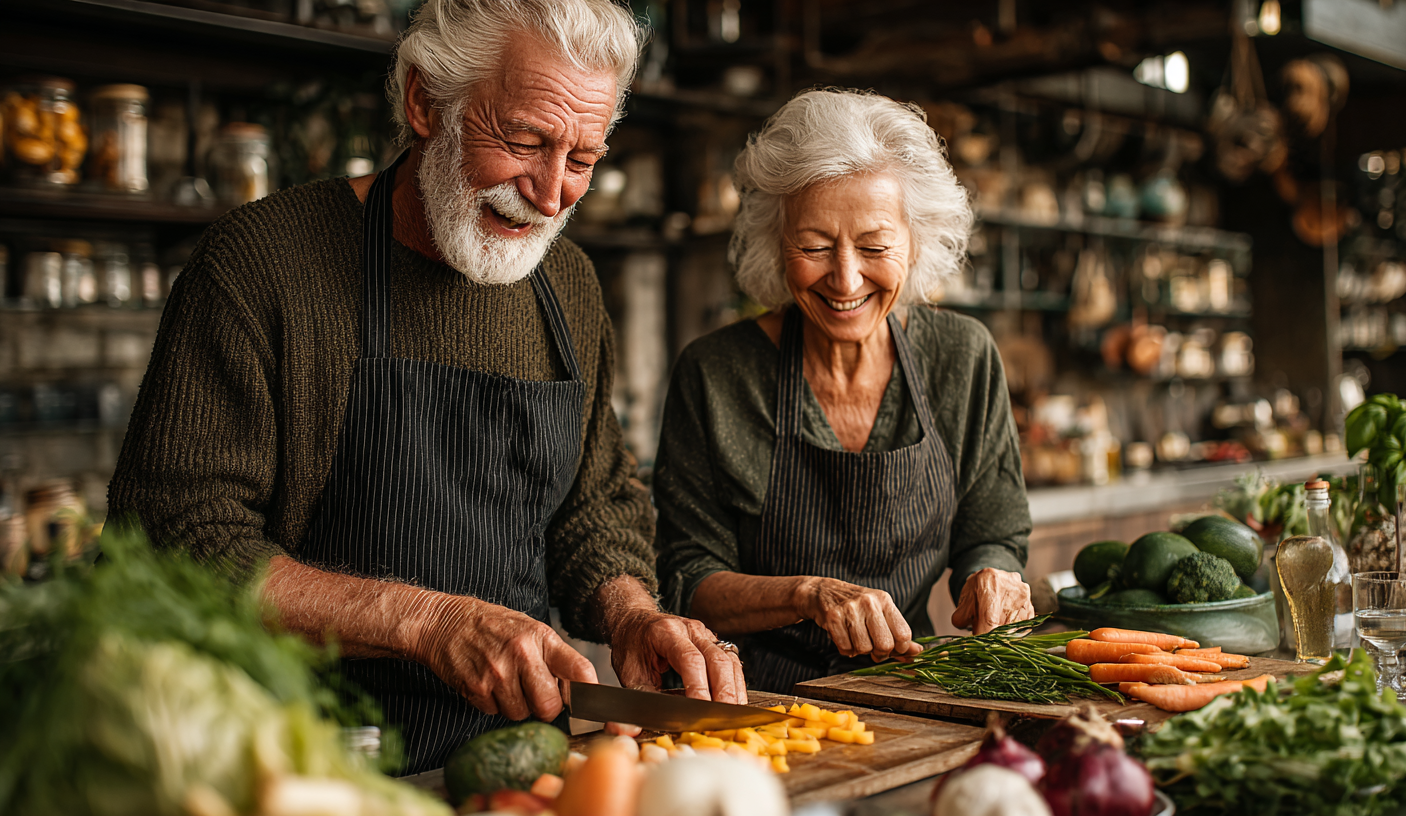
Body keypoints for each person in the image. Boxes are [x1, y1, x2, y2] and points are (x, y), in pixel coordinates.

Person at [108, 0, 742, 773]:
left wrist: (632, 613)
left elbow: (593, 506)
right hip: (287, 765)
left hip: (509, 765)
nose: (550, 195)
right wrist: (426, 622)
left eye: (582, 159)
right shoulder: (260, 265)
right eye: (523, 141)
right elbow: (176, 543)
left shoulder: (568, 284)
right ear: (423, 101)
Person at [654, 89, 1036, 694]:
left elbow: (992, 530)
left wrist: (992, 576)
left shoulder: (962, 357)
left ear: (918, 241)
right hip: (751, 703)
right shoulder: (716, 373)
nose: (846, 278)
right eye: (814, 247)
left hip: (910, 689)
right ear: (774, 244)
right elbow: (688, 578)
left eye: (876, 247)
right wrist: (809, 595)